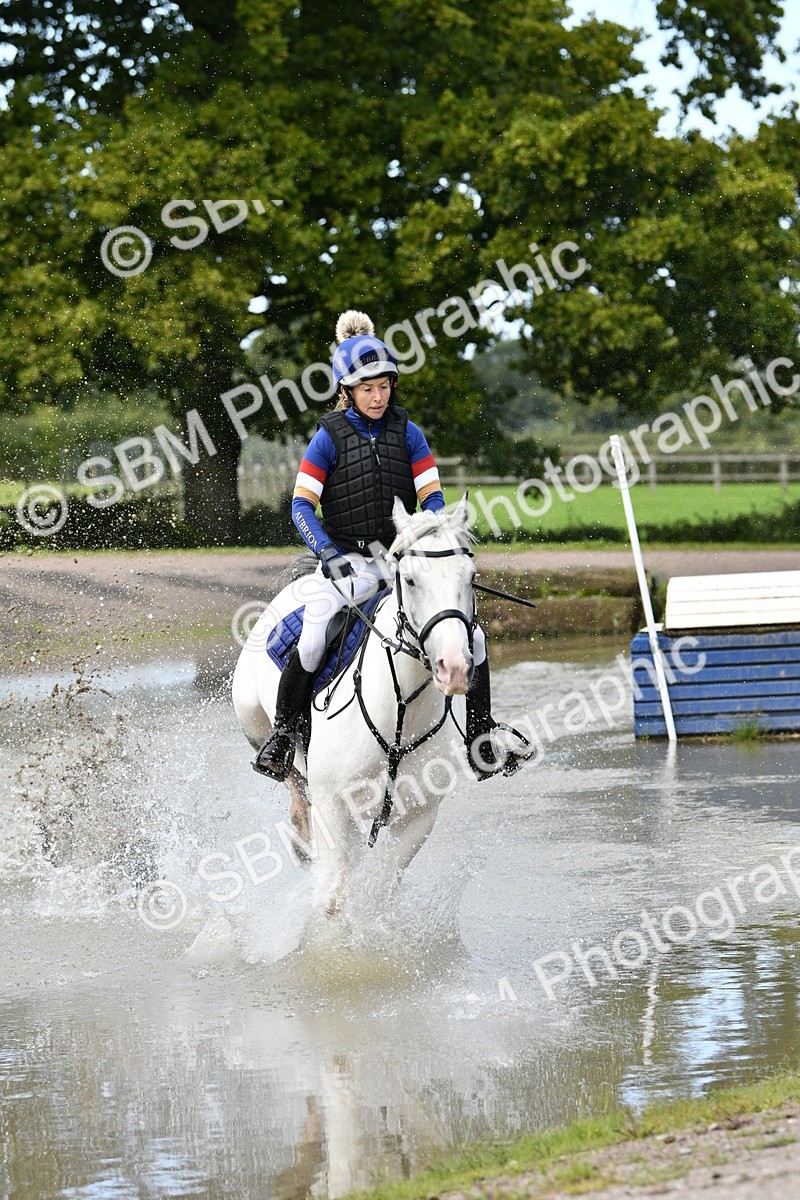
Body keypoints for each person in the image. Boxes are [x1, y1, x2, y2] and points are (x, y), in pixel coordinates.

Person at [252, 309, 524, 782]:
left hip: (399, 563)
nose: (377, 397)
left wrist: (432, 533)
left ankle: (480, 735)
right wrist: (328, 555)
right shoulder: (326, 439)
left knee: (473, 636)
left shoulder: (409, 433)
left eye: (383, 387)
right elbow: (300, 507)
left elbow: (432, 497)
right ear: (347, 392)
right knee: (315, 635)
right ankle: (281, 734)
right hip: (344, 563)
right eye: (367, 389)